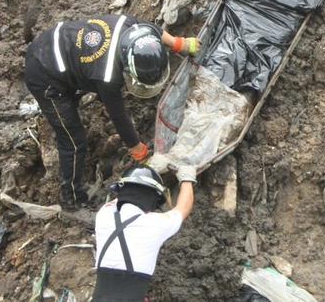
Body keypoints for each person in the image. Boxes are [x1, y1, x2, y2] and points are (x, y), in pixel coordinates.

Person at [24, 15, 200, 209]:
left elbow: (152, 28)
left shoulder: (132, 28)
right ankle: (71, 199)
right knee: (73, 141)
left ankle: (74, 86)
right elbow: (118, 116)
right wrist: (138, 150)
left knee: (82, 84)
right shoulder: (107, 76)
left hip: (59, 44)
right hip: (43, 72)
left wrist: (178, 44)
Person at [92, 165, 196, 302]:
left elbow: (120, 198)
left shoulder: (103, 215)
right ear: (152, 200)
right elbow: (184, 207)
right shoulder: (156, 224)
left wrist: (141, 177)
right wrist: (187, 179)